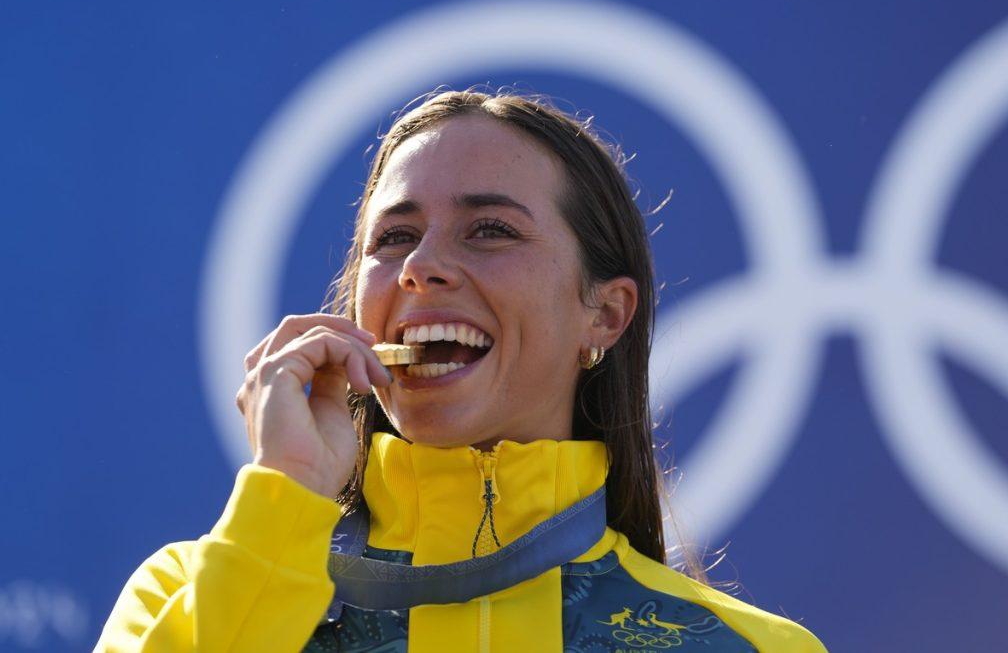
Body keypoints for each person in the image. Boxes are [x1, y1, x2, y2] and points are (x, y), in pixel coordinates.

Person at [94, 87, 828, 652]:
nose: (420, 267)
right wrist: (284, 491)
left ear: (604, 314)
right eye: (396, 236)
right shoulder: (186, 596)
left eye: (490, 230)